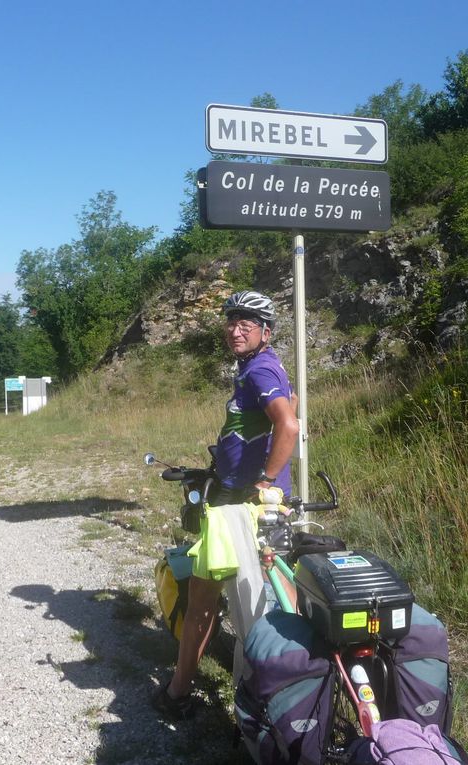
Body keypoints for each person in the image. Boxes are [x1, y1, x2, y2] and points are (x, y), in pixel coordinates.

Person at [152, 290, 300, 721]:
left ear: (265, 332)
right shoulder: (258, 369)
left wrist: (265, 482)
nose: (235, 330)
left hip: (243, 504)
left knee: (203, 598)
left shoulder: (260, 371)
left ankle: (179, 692)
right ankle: (285, 685)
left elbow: (288, 424)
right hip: (247, 497)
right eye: (231, 322)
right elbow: (284, 416)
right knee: (276, 594)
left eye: (246, 324)